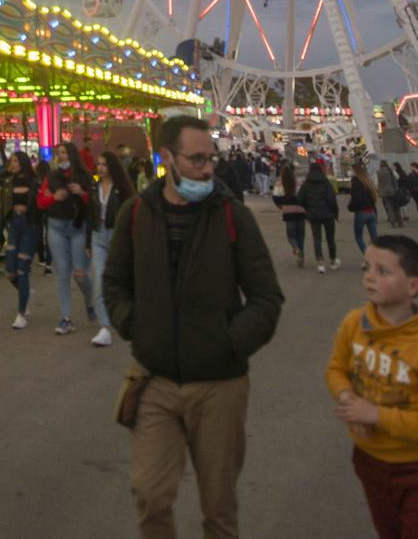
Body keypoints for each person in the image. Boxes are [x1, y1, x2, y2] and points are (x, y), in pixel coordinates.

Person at [104, 116, 283, 539]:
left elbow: (266, 297)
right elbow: (114, 281)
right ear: (166, 158)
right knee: (149, 493)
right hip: (155, 380)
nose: (207, 169)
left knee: (218, 505)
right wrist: (134, 326)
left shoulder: (232, 217)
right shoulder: (136, 214)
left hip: (218, 384)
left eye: (211, 159)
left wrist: (230, 343)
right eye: (197, 159)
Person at [325, 234, 418, 539]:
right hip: (368, 460)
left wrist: (375, 416)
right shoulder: (354, 323)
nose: (369, 277)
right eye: (366, 268)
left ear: (413, 286)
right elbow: (336, 369)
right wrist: (347, 398)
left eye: (382, 271)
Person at [36, 141, 100, 335]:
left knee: (80, 273)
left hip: (78, 227)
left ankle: (90, 302)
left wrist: (81, 193)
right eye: (58, 153)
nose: (61, 156)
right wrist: (53, 197)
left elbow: (95, 203)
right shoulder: (51, 176)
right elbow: (40, 202)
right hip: (56, 226)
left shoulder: (85, 176)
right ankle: (66, 317)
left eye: (64, 152)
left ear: (72, 155)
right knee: (62, 272)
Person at [89, 150, 138, 347]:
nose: (100, 168)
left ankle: (128, 314)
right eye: (98, 164)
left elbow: (132, 211)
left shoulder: (122, 189)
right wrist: (87, 242)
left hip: (118, 236)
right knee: (100, 280)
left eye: (104, 165)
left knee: (123, 278)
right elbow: (89, 215)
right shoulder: (94, 188)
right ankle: (105, 327)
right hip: (97, 235)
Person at [2, 151, 40, 328]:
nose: (13, 163)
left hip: (29, 226)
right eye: (11, 161)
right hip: (13, 225)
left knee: (22, 268)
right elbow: (3, 208)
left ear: (23, 162)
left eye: (16, 161)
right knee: (10, 270)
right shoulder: (8, 181)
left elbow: (39, 207)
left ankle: (21, 313)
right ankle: (26, 293)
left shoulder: (34, 182)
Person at [301, 159, 342, 273]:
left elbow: (300, 199)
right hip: (328, 214)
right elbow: (332, 199)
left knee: (317, 239)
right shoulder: (325, 182)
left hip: (313, 215)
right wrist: (335, 213)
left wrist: (307, 210)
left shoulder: (306, 184)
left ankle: (320, 263)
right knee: (330, 238)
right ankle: (333, 260)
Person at [273, 162, 309, 268]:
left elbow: (275, 198)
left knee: (291, 235)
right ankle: (301, 256)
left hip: (288, 212)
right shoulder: (298, 182)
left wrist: (281, 206)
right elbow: (304, 196)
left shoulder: (279, 184)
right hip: (300, 212)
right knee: (301, 235)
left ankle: (296, 248)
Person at [347, 163, 381, 256]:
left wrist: (350, 207)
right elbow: (373, 197)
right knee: (374, 236)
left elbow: (356, 198)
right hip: (371, 211)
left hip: (361, 212)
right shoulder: (367, 180)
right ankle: (378, 255)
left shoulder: (355, 181)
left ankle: (368, 256)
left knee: (359, 237)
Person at [377, 159, 408, 228]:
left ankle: (393, 223)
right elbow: (397, 177)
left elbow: (377, 183)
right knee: (397, 207)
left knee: (389, 208)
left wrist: (380, 190)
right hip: (394, 191)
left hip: (384, 193)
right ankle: (400, 223)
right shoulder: (390, 170)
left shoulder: (378, 172)